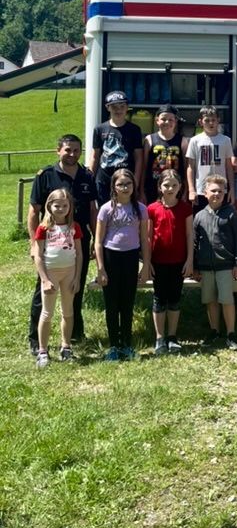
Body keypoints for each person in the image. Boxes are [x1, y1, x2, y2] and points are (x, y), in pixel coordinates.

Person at [27, 134, 96, 354]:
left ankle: (74, 334)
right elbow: (33, 211)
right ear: (58, 150)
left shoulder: (86, 175)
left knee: (75, 285)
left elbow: (93, 209)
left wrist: (95, 239)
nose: (72, 154)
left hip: (78, 239)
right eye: (67, 150)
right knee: (44, 290)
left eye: (76, 150)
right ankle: (35, 339)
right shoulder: (46, 175)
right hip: (50, 242)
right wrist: (33, 243)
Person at [94, 169, 150, 361]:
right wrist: (101, 269)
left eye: (128, 184)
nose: (125, 188)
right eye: (120, 184)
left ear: (134, 186)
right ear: (114, 187)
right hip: (111, 258)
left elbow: (144, 238)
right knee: (112, 304)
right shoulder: (106, 209)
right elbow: (98, 241)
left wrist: (146, 266)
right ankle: (114, 346)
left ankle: (126, 344)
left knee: (127, 303)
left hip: (131, 257)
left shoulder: (141, 209)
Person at [192, 174, 237, 350]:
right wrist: (195, 266)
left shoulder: (231, 214)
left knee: (226, 300)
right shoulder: (199, 216)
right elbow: (194, 243)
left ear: (225, 193)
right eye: (213, 190)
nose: (217, 194)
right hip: (205, 267)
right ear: (205, 192)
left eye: (220, 191)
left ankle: (231, 333)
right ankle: (214, 331)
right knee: (210, 301)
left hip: (226, 266)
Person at [32, 189, 83, 367]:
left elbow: (79, 253)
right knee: (47, 312)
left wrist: (77, 277)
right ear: (49, 206)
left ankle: (66, 346)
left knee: (68, 312)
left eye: (65, 205)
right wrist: (45, 279)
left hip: (69, 273)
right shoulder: (43, 228)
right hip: (51, 273)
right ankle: (43, 351)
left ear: (70, 207)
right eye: (57, 205)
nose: (61, 208)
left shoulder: (74, 227)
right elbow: (38, 256)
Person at [147, 169, 193, 356]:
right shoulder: (152, 209)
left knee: (174, 299)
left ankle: (172, 337)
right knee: (159, 298)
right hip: (158, 261)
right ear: (159, 187)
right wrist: (147, 261)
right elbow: (148, 237)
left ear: (180, 187)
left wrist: (190, 260)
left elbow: (190, 235)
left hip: (179, 261)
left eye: (174, 185)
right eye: (166, 185)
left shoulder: (185, 209)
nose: (170, 188)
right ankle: (160, 338)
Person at [90, 90, 144, 205]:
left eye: (122, 106)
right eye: (114, 107)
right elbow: (95, 156)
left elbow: (139, 158)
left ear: (127, 108)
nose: (118, 110)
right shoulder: (99, 129)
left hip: (126, 180)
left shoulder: (134, 129)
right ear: (107, 108)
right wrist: (90, 179)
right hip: (104, 179)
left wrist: (136, 181)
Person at [186, 107, 235, 213]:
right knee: (201, 219)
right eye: (207, 120)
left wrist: (232, 189)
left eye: (213, 120)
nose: (210, 123)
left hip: (221, 189)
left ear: (218, 120)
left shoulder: (226, 140)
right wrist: (191, 189)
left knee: (221, 218)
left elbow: (229, 166)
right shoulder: (195, 140)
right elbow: (191, 167)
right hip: (201, 189)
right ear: (200, 122)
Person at [142, 104, 187, 205]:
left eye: (171, 120)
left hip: (175, 189)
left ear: (175, 121)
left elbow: (186, 168)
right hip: (152, 188)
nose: (167, 122)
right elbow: (144, 167)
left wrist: (186, 190)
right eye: (163, 119)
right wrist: (141, 190)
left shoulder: (183, 141)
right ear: (157, 120)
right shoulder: (149, 140)